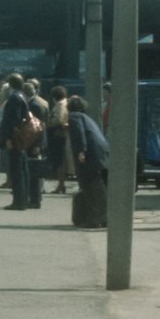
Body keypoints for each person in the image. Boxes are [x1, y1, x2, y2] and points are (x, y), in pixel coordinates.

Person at [67, 95, 109, 228]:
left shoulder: (74, 116)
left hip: (90, 155)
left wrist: (81, 150)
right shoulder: (87, 118)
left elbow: (79, 133)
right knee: (96, 186)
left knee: (91, 187)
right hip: (99, 153)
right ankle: (103, 217)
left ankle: (94, 219)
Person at [0, 74, 33, 210]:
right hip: (21, 138)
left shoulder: (14, 98)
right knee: (22, 169)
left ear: (10, 84)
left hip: (14, 138)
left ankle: (18, 201)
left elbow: (12, 120)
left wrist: (7, 138)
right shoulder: (23, 96)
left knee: (16, 169)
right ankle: (23, 198)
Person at [46, 85, 73, 194]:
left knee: (59, 162)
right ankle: (61, 184)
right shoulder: (66, 103)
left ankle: (60, 185)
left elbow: (59, 119)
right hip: (64, 135)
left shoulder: (60, 105)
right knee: (62, 161)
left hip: (59, 136)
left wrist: (48, 123)